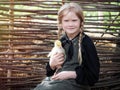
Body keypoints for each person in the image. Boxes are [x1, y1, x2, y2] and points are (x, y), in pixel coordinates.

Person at [34, 2, 100, 90]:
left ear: (81, 22)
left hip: (76, 84)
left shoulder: (86, 43)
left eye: (74, 20)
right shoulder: (61, 42)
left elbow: (93, 75)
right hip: (56, 81)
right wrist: (52, 64)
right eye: (66, 21)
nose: (70, 24)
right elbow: (49, 72)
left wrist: (71, 74)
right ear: (61, 23)